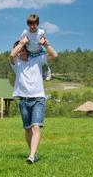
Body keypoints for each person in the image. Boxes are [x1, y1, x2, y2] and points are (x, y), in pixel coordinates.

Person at [9, 36, 58, 164]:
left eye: (25, 49)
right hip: (23, 100)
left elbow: (54, 55)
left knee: (36, 126)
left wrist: (46, 44)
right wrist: (22, 42)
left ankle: (31, 156)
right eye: (20, 50)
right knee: (27, 128)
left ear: (28, 50)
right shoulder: (16, 63)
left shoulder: (37, 59)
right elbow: (11, 55)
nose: (22, 52)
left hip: (38, 99)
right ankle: (33, 153)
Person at [20, 14, 52, 80]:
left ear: (37, 24)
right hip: (29, 52)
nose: (32, 26)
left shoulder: (41, 32)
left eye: (34, 24)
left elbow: (44, 39)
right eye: (30, 25)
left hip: (39, 51)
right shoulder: (25, 32)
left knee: (43, 61)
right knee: (30, 65)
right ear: (28, 24)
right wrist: (24, 41)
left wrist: (46, 42)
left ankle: (46, 71)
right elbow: (20, 41)